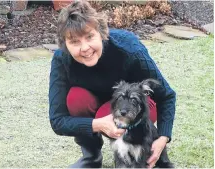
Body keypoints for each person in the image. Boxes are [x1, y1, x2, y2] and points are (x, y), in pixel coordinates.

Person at [49, 1, 176, 168]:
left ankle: (135, 149)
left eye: (89, 36)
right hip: (97, 106)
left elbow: (166, 95)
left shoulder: (130, 50)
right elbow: (58, 121)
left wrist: (163, 138)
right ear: (65, 44)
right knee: (76, 98)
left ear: (101, 33)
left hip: (134, 105)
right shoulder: (61, 60)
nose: (85, 48)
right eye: (74, 42)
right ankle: (91, 156)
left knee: (110, 111)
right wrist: (98, 124)